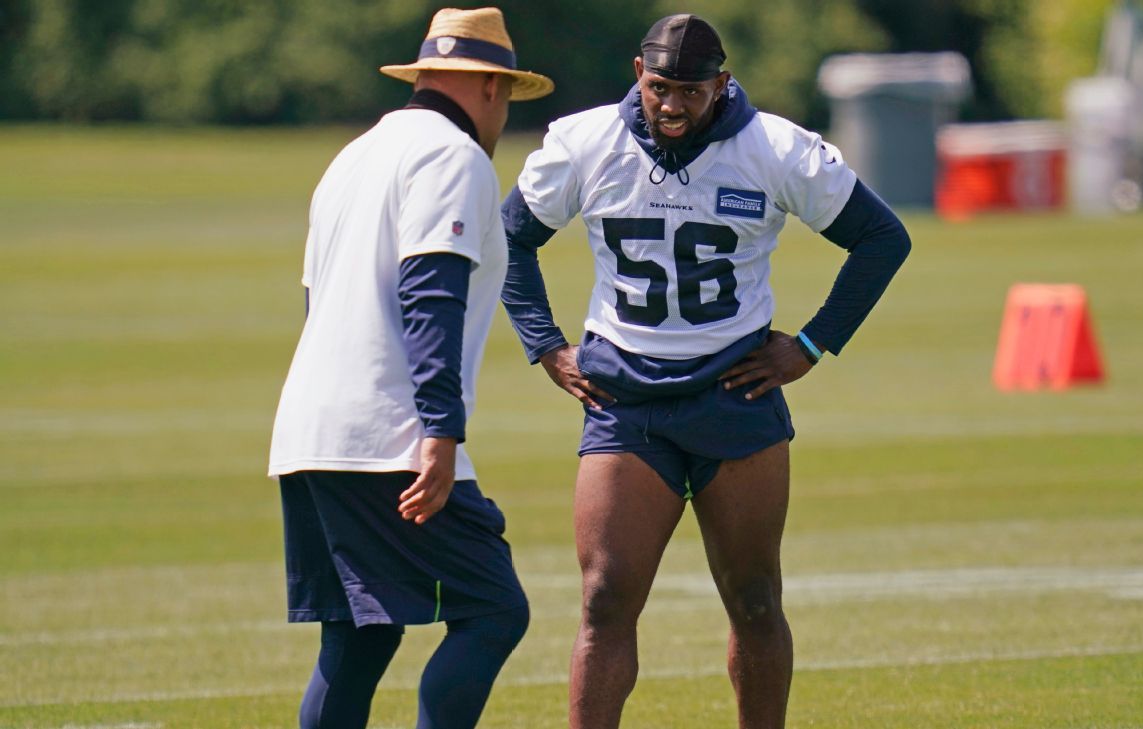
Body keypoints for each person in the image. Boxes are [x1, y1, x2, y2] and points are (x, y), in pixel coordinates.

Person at [499, 13, 911, 729]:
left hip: (735, 389)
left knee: (754, 599)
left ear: (722, 85)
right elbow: (508, 237)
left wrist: (812, 345)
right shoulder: (585, 142)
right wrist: (545, 344)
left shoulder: (775, 148)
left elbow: (882, 238)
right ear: (638, 75)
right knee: (604, 596)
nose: (672, 105)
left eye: (691, 90)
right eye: (660, 87)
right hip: (625, 394)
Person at [267, 8, 552, 728]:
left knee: (362, 630)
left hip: (309, 429)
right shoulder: (452, 157)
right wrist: (441, 430)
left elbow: (316, 300)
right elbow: (431, 291)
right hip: (386, 432)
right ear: (490, 87)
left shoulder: (352, 156)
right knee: (494, 606)